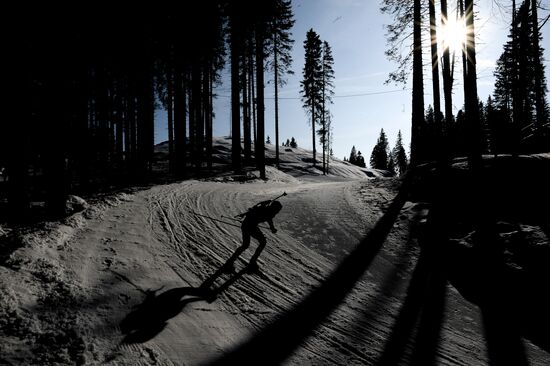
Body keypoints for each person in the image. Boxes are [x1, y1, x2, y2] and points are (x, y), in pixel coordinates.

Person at [224, 199, 283, 273]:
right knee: (259, 243)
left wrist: (272, 227)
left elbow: (267, 217)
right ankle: (251, 261)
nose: (277, 212)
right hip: (250, 226)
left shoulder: (268, 211)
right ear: (274, 208)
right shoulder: (266, 210)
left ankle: (231, 262)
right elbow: (259, 210)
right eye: (277, 210)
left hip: (248, 225)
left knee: (246, 245)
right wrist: (272, 228)